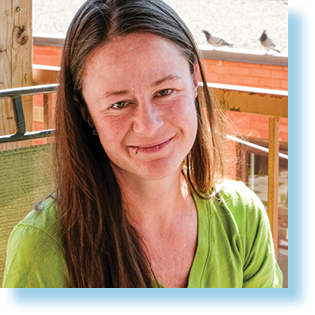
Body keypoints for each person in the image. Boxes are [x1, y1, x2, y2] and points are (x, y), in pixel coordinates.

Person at [2, 0, 283, 288]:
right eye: (119, 103)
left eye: (164, 91)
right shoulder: (42, 248)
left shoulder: (242, 216)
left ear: (194, 79)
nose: (149, 125)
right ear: (85, 111)